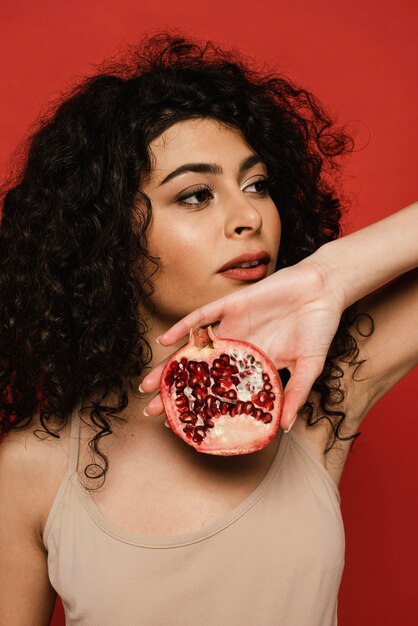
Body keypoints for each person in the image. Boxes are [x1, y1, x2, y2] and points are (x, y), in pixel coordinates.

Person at [0, 31, 416, 626]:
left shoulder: (319, 393)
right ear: (105, 235)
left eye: (257, 185)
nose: (248, 217)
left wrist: (331, 275)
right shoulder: (32, 467)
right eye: (196, 195)